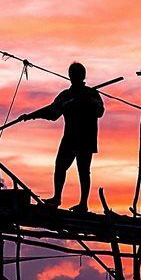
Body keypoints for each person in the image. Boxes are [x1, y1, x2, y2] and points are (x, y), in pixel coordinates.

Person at [32, 62, 104, 210]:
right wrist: (32, 115)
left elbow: (100, 112)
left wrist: (87, 103)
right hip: (69, 138)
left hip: (86, 139)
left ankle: (83, 203)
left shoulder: (92, 94)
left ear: (83, 76)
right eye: (73, 74)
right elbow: (52, 112)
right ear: (70, 76)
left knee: (83, 170)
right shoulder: (66, 95)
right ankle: (57, 198)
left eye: (77, 74)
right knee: (60, 166)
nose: (75, 77)